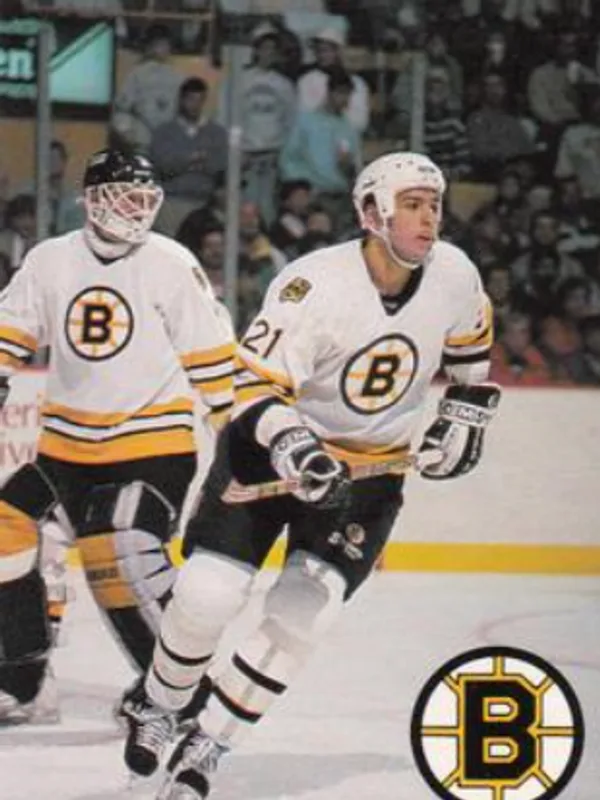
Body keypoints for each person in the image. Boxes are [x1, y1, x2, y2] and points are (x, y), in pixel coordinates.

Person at [118, 152, 501, 799]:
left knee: (303, 614)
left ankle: (211, 739)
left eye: (434, 205)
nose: (428, 218)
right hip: (271, 450)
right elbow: (252, 388)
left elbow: (471, 357)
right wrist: (296, 446)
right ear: (372, 213)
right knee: (208, 594)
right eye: (412, 204)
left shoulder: (455, 276)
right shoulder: (312, 284)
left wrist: (463, 414)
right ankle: (159, 704)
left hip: (370, 475)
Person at [0, 149, 235, 723]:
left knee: (120, 545)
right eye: (127, 197)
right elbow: (9, 330)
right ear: (93, 199)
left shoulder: (171, 263)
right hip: (64, 453)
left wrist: (238, 442)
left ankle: (175, 693)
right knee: (6, 526)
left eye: (146, 199)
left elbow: (214, 361)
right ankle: (23, 680)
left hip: (152, 449)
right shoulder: (50, 259)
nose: (138, 209)